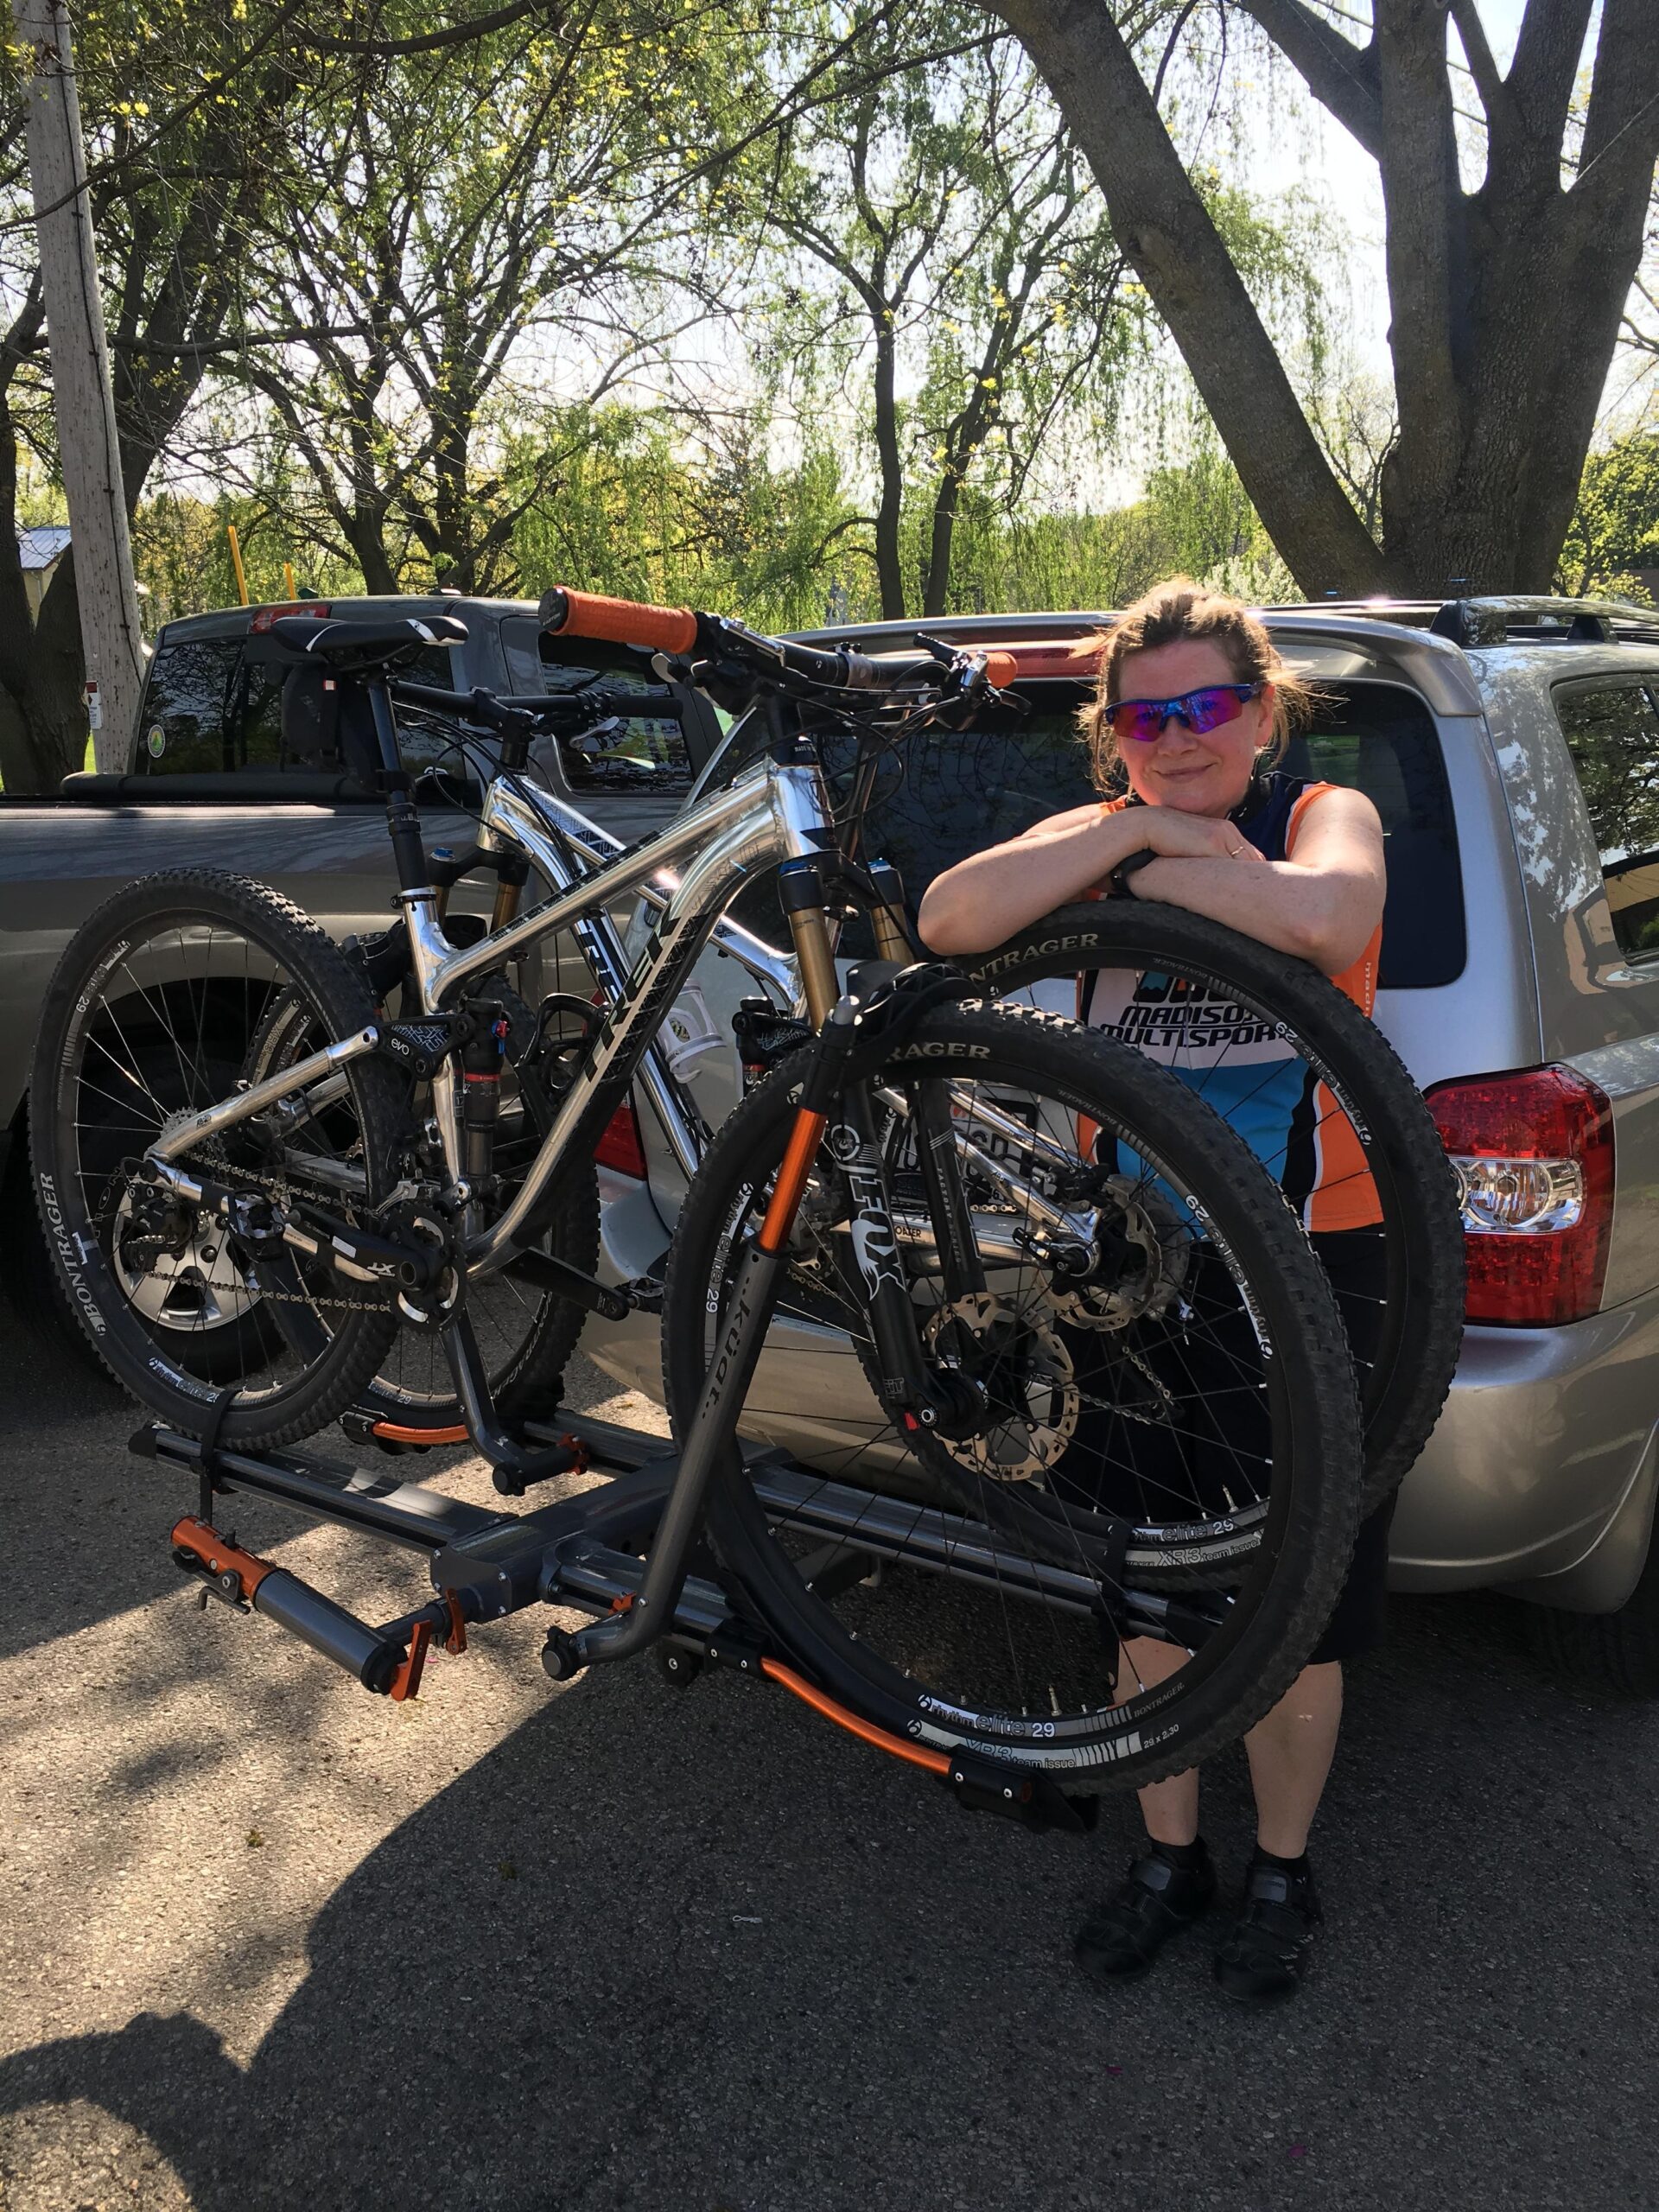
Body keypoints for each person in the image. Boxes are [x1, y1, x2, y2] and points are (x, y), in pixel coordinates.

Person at [918, 577, 1389, 2005]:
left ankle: (1284, 1869)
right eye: (1143, 718)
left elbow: (1326, 918)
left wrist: (1152, 860)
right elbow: (951, 918)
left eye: (1208, 709)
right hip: (1126, 1277)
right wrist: (1129, 831)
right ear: (1112, 731)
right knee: (1148, 1592)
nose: (1179, 738)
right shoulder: (1105, 825)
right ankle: (1170, 1856)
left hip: (1313, 1275)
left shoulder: (1323, 816)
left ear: (1263, 712)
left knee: (1298, 1599)